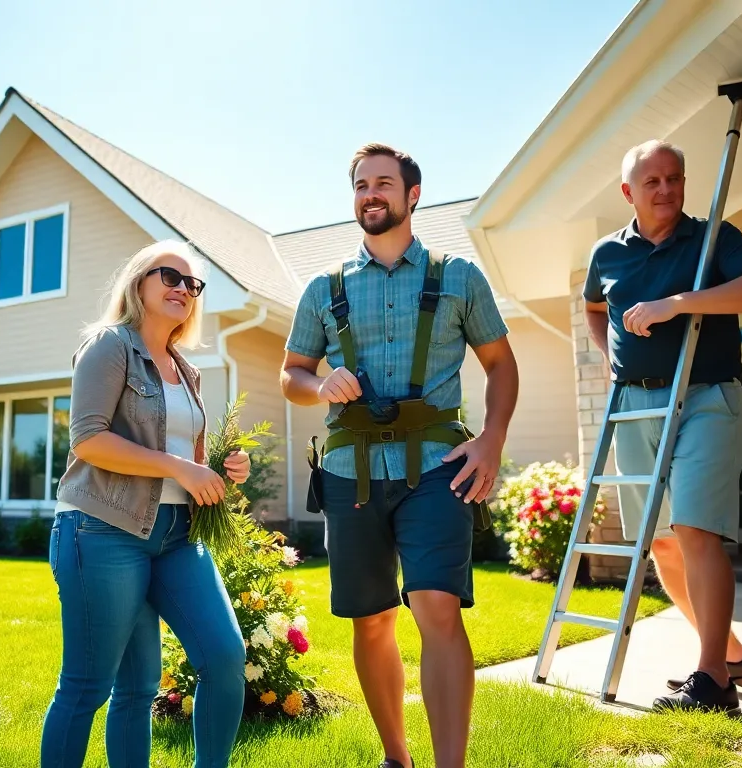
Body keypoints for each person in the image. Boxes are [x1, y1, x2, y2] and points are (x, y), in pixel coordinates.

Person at [281, 143, 519, 768]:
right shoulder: (322, 288)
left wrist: (490, 439)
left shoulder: (458, 276)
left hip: (439, 469)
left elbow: (500, 364)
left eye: (383, 183)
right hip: (348, 473)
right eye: (361, 185)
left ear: (414, 194)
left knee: (435, 604)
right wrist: (319, 383)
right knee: (371, 619)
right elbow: (291, 373)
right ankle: (397, 757)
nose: (370, 195)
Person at [583, 139, 742, 713]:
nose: (666, 190)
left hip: (705, 398)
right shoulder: (607, 254)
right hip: (638, 407)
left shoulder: (714, 238)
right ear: (629, 193)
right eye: (653, 182)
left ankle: (713, 681)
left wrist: (678, 303)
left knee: (696, 531)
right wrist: (609, 353)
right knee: (664, 546)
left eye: (674, 178)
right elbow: (595, 308)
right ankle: (733, 656)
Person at [41, 240, 251, 768]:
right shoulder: (109, 346)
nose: (184, 289)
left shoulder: (188, 370)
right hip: (104, 529)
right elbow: (88, 440)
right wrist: (178, 466)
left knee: (225, 658)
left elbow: (190, 457)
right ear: (139, 282)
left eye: (193, 285)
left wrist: (223, 469)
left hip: (177, 535)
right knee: (96, 686)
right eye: (171, 277)